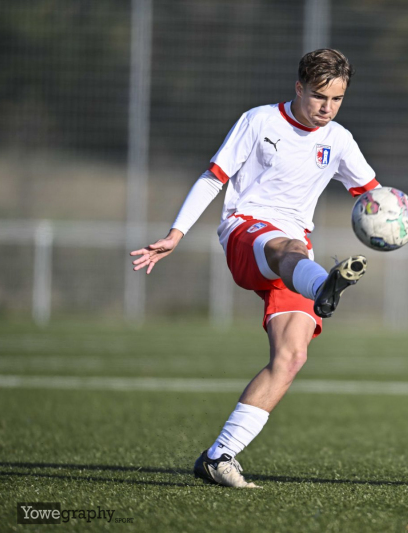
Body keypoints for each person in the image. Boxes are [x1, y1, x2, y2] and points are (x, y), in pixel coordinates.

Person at [130, 49, 380, 488]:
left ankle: (218, 455)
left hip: (296, 254)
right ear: (299, 87)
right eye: (320, 96)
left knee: (292, 357)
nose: (327, 107)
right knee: (287, 248)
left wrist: (396, 215)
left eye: (337, 99)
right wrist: (176, 233)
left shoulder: (338, 139)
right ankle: (326, 283)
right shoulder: (259, 121)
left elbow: (372, 196)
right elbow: (214, 177)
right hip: (247, 232)